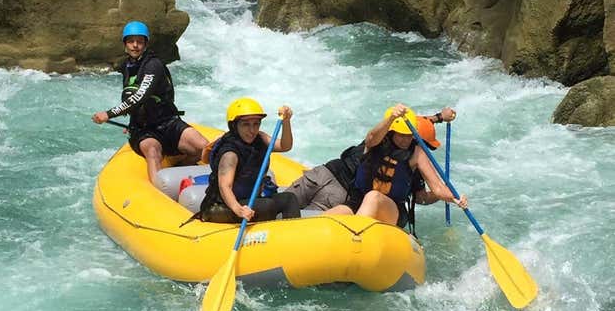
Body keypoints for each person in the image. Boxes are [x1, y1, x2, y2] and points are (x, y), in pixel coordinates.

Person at [91, 21, 208, 183]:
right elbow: (130, 96)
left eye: (140, 41)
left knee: (204, 147)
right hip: (144, 130)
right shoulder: (127, 66)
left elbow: (140, 96)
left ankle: (180, 169)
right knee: (153, 150)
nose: (135, 45)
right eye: (131, 41)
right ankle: (160, 191)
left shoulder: (154, 65)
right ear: (125, 44)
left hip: (168, 123)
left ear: (145, 44)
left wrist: (109, 114)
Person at [323, 104, 468, 227]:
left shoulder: (417, 152)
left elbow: (436, 187)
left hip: (392, 210)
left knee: (373, 197)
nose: (406, 140)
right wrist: (392, 117)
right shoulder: (376, 142)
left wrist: (454, 198)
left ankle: (355, 238)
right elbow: (372, 137)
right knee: (335, 214)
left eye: (409, 135)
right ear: (391, 132)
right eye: (401, 135)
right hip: (357, 201)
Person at [286, 107, 458, 211]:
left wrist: (440, 117)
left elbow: (417, 120)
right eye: (425, 146)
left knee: (286, 212)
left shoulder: (387, 134)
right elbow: (420, 197)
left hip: (326, 174)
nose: (424, 149)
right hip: (338, 191)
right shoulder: (386, 142)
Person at [197, 98, 301, 223]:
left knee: (289, 199)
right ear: (234, 126)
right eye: (246, 124)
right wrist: (239, 209)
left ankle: (291, 237)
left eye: (256, 124)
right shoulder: (230, 153)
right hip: (221, 207)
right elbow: (225, 186)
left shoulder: (260, 138)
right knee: (267, 206)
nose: (252, 130)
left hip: (249, 200)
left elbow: (285, 146)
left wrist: (286, 122)